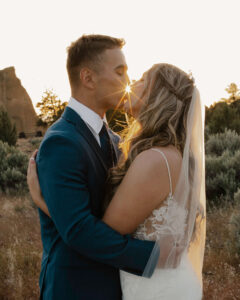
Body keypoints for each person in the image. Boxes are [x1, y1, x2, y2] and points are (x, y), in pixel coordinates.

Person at [28, 60, 206, 299]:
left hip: (155, 289)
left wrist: (44, 202)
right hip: (163, 281)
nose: (133, 83)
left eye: (143, 79)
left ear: (159, 96)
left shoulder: (154, 160)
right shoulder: (170, 154)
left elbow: (102, 233)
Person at [28, 34, 163, 300]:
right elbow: (78, 230)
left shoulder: (113, 138)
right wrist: (151, 257)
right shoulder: (61, 142)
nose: (127, 82)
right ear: (88, 78)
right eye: (120, 72)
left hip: (113, 285)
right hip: (75, 288)